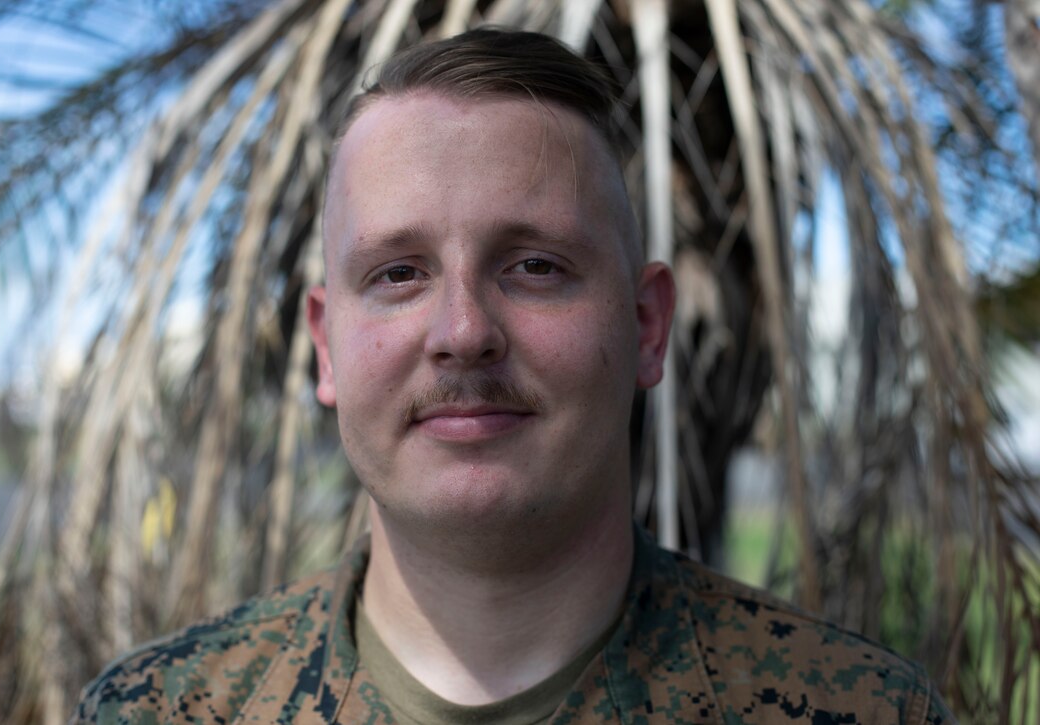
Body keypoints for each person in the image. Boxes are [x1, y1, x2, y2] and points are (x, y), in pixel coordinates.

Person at [73, 28, 954, 724]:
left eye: (534, 266)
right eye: (398, 273)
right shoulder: (159, 709)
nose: (462, 332)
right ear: (327, 347)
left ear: (646, 327)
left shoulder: (858, 709)